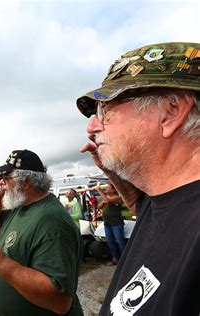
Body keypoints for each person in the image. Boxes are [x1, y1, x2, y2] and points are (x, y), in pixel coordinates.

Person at [77, 42, 200, 315]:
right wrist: (113, 172)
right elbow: (149, 211)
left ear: (171, 112)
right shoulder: (163, 198)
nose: (92, 127)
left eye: (105, 111)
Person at [0, 150, 83, 315]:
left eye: (6, 178)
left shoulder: (51, 221)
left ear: (24, 182)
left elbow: (60, 302)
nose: (2, 183)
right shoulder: (22, 206)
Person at [96, 184, 126, 266]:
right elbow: (98, 206)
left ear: (113, 190)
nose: (106, 189)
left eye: (108, 188)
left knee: (120, 242)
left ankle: (125, 260)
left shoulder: (118, 197)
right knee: (110, 242)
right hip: (107, 224)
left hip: (116, 224)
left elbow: (109, 201)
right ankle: (115, 259)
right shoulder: (105, 199)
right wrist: (102, 202)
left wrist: (99, 190)